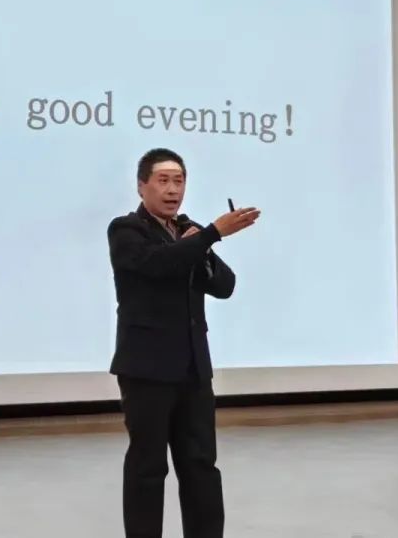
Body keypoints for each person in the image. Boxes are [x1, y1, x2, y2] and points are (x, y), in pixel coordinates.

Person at [107, 148, 259, 538]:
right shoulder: (126, 230)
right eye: (163, 180)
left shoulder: (188, 231)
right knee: (148, 467)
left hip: (193, 369)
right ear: (141, 186)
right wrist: (211, 234)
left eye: (179, 181)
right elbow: (158, 264)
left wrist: (203, 246)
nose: (173, 190)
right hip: (146, 369)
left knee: (201, 465)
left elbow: (225, 285)